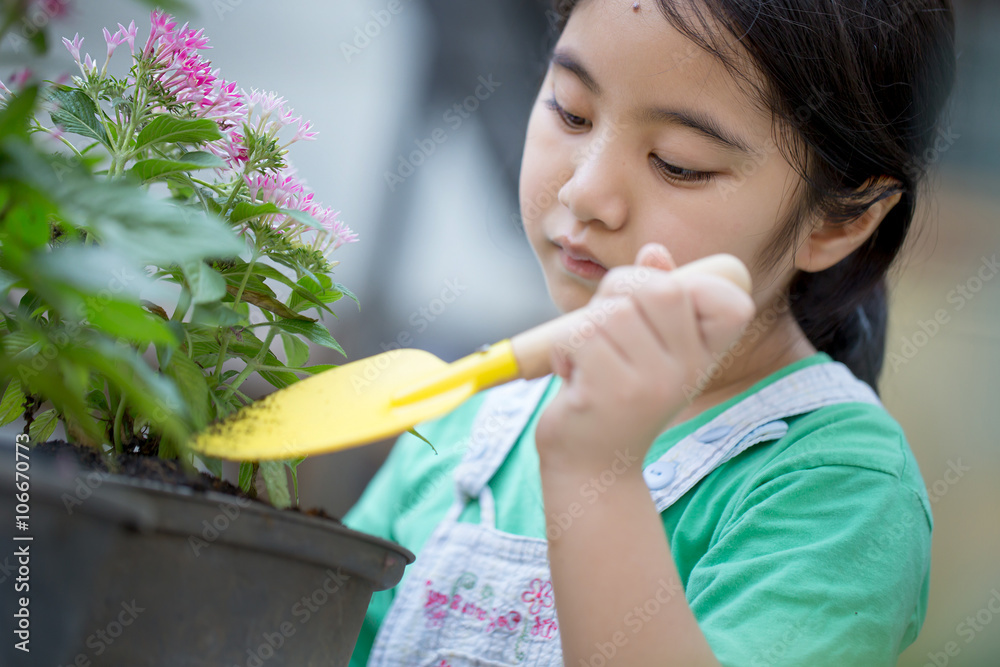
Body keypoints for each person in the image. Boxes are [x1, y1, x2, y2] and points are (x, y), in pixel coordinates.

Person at [344, 0, 957, 664]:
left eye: (678, 162)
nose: (586, 192)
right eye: (571, 111)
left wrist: (596, 473)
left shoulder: (839, 488)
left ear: (838, 221)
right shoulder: (457, 433)